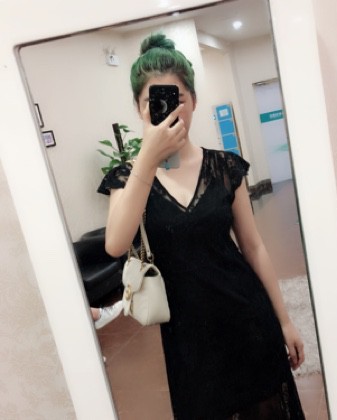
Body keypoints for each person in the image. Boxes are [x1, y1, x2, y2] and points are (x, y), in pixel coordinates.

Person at [98, 33, 305, 419]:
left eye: (177, 98)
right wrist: (147, 160)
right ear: (139, 109)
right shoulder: (126, 178)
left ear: (193, 100)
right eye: (153, 102)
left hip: (247, 319)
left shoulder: (225, 167)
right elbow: (116, 244)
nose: (169, 110)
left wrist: (285, 320)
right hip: (188, 340)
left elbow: (254, 247)